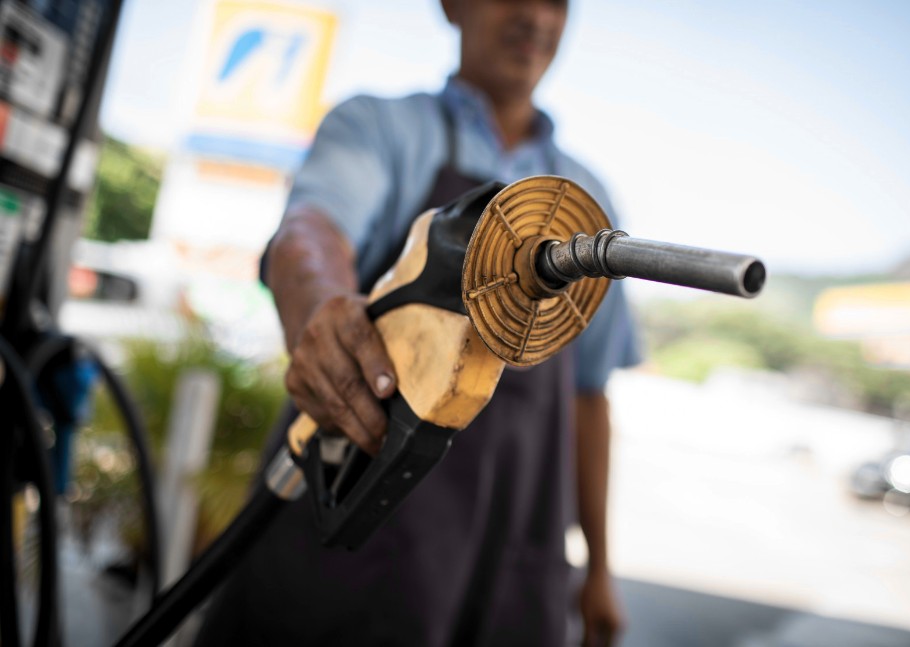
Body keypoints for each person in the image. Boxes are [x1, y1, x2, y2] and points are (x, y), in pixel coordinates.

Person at [195, 0, 640, 645]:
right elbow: (310, 232)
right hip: (361, 519)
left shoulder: (586, 204)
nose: (535, 16)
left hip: (513, 543)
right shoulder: (381, 127)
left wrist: (599, 567)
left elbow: (589, 395)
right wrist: (320, 305)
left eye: (557, 1)